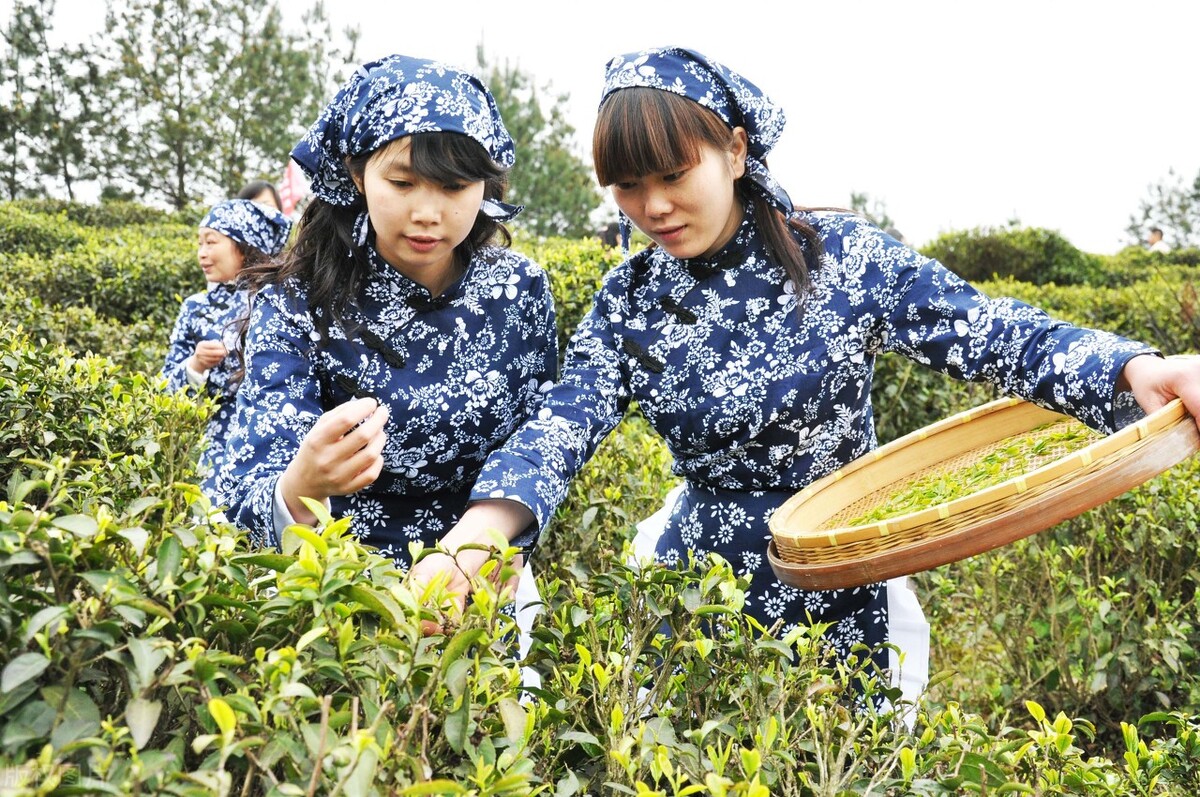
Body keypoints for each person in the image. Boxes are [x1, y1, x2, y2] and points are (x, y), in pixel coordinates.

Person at [424, 46, 1200, 685]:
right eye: (629, 186)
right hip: (695, 597)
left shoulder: (842, 260)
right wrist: (484, 528)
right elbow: (561, 423)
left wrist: (1133, 369)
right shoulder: (629, 299)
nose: (653, 206)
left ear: (735, 150)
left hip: (840, 571)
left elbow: (993, 332)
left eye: (673, 175)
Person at [219, 55, 557, 583]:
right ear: (358, 175)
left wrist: (496, 543)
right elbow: (249, 481)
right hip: (337, 584)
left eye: (454, 187)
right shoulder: (296, 301)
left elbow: (540, 441)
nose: (428, 213)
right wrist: (301, 484)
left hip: (480, 574)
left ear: (483, 187)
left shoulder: (518, 289)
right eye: (402, 183)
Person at [162, 198, 293, 498]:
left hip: (276, 439)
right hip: (213, 449)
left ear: (245, 245)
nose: (202, 253)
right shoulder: (195, 308)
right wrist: (195, 365)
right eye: (199, 243)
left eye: (211, 242)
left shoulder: (278, 299)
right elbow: (164, 389)